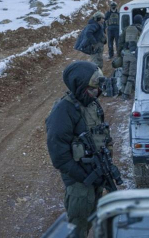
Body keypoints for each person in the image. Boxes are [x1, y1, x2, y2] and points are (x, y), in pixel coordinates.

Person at [46, 61, 113, 238]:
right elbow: (59, 156)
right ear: (79, 86)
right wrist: (85, 177)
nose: (97, 93)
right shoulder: (64, 111)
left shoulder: (91, 104)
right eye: (92, 89)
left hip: (95, 176)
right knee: (77, 228)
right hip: (79, 183)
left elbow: (103, 133)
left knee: (92, 219)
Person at [117, 14, 143, 100]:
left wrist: (119, 53)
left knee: (125, 73)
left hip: (125, 54)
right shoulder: (142, 29)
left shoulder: (127, 28)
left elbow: (120, 41)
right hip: (133, 54)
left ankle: (122, 89)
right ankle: (126, 93)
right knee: (132, 75)